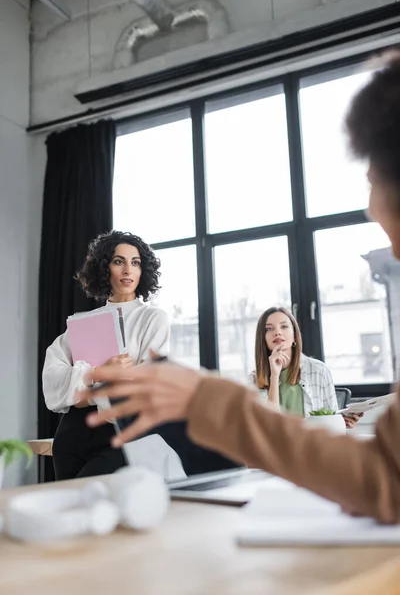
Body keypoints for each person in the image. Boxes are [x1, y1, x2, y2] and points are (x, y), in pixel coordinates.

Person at [78, 50, 400, 523]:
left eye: (374, 180)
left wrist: (204, 399)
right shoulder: (85, 326)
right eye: (117, 263)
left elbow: (378, 478)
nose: (372, 207)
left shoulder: (158, 321)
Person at [42, 230, 170, 480]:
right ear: (104, 268)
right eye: (118, 261)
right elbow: (52, 380)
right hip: (72, 434)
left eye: (135, 263)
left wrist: (82, 387)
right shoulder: (81, 323)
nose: (127, 270)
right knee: (72, 513)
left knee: (91, 502)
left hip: (120, 432)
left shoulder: (153, 319)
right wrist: (99, 372)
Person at [251, 307, 361, 428]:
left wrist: (342, 423)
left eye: (284, 326)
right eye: (269, 329)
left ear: (294, 336)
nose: (277, 332)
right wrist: (274, 375)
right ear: (263, 339)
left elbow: (331, 422)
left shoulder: (319, 371)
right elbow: (267, 426)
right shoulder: (254, 379)